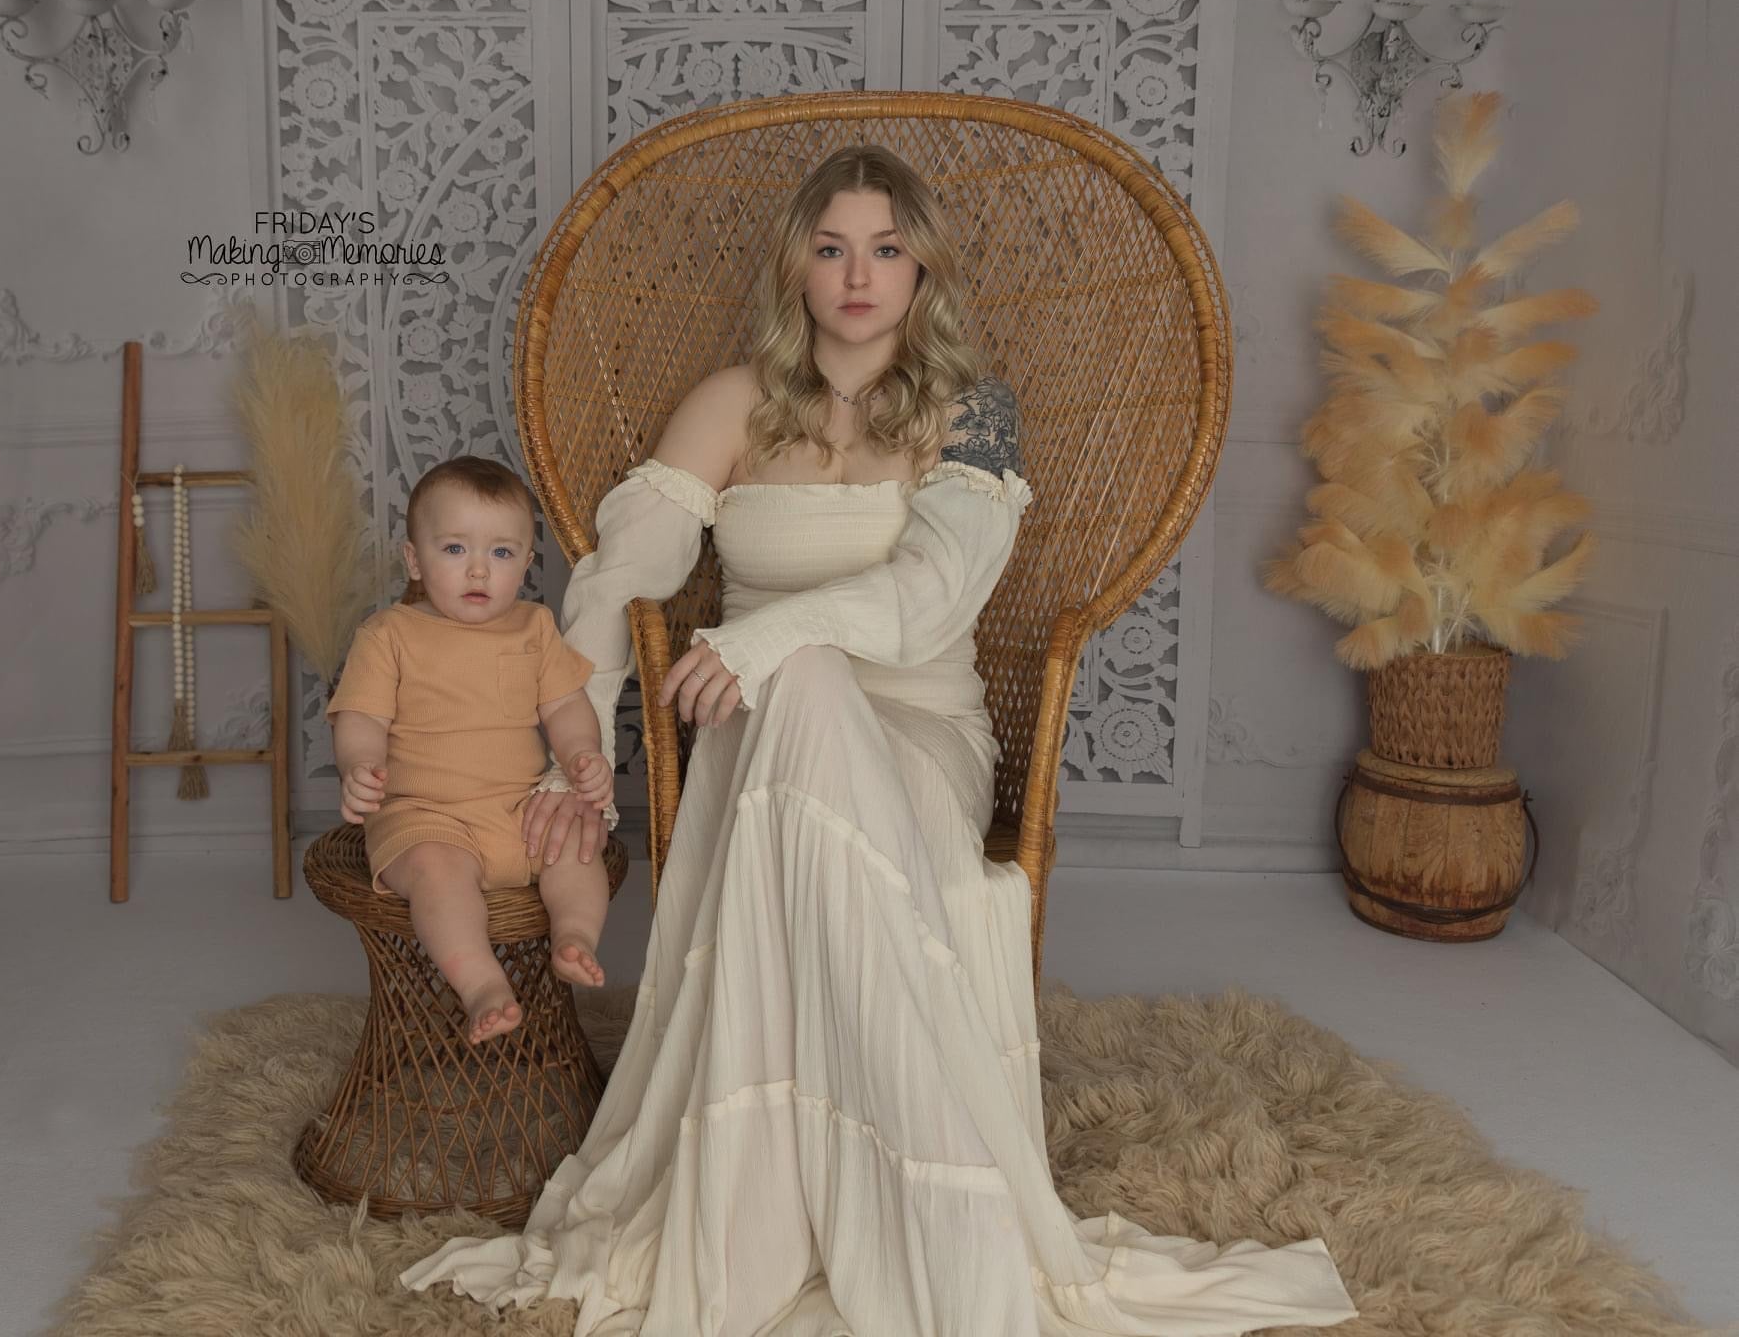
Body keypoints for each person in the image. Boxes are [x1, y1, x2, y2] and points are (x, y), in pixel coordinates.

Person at [400, 147, 1358, 1334]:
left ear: (921, 270)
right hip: (757, 741)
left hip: (916, 732)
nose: (858, 276)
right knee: (796, 683)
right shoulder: (730, 402)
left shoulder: (973, 411)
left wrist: (765, 638)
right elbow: (616, 581)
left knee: (803, 666)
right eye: (831, 248)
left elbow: (934, 590)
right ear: (796, 267)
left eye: (886, 249)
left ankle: (916, 1215)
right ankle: (809, 1202)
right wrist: (578, 761)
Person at [326, 456, 618, 1046]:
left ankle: (575, 936)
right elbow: (362, 718)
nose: (479, 569)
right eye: (455, 549)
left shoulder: (534, 628)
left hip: (519, 811)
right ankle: (481, 982)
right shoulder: (389, 635)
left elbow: (565, 706)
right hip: (425, 817)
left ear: (526, 564)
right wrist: (359, 765)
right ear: (415, 560)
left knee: (576, 844)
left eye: (502, 552)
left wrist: (582, 755)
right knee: (438, 875)